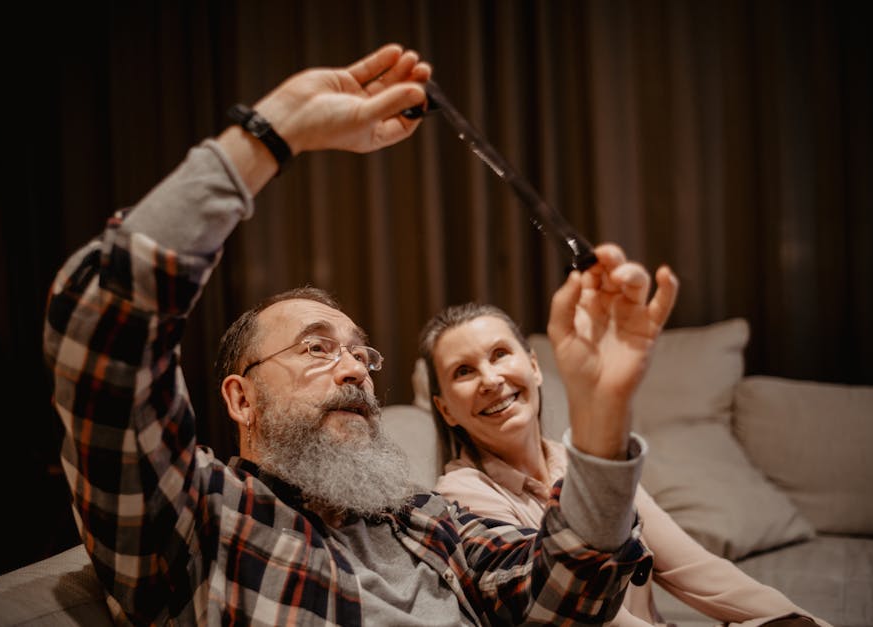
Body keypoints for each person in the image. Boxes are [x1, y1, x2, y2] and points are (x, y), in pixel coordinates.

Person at [44, 43, 656, 625]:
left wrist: (603, 408)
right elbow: (104, 335)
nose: (356, 369)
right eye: (317, 348)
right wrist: (272, 133)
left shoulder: (422, 519)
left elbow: (568, 591)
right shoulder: (202, 519)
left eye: (362, 353)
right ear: (240, 398)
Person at [418, 292, 831, 626]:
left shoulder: (584, 466)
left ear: (534, 366)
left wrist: (798, 618)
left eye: (499, 354)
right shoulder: (460, 496)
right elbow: (584, 609)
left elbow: (696, 570)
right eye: (463, 372)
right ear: (446, 409)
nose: (491, 380)